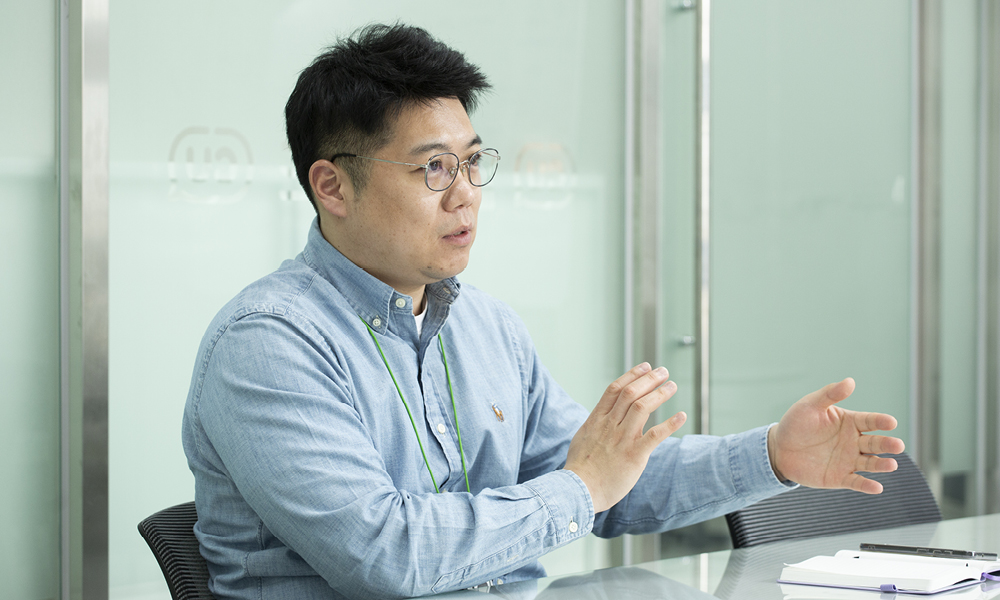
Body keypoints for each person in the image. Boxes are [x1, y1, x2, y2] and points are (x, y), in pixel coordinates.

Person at [181, 23, 904, 600]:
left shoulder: (486, 327)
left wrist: (772, 454)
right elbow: (386, 553)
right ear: (333, 187)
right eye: (433, 168)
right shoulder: (268, 344)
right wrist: (580, 487)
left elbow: (612, 483)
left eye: (472, 162)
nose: (465, 194)